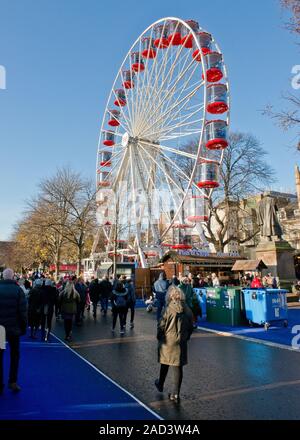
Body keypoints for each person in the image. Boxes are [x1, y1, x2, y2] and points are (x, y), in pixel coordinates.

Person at [155, 285, 194, 403]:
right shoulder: (187, 309)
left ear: (170, 296)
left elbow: (161, 325)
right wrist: (186, 337)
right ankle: (176, 393)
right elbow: (191, 326)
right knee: (178, 366)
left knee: (165, 362)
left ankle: (160, 384)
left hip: (168, 340)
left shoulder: (168, 308)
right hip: (181, 340)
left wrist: (159, 336)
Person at [0, 268, 27, 394]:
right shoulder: (18, 290)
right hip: (14, 327)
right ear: (13, 277)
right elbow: (23, 312)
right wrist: (23, 327)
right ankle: (13, 382)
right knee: (15, 355)